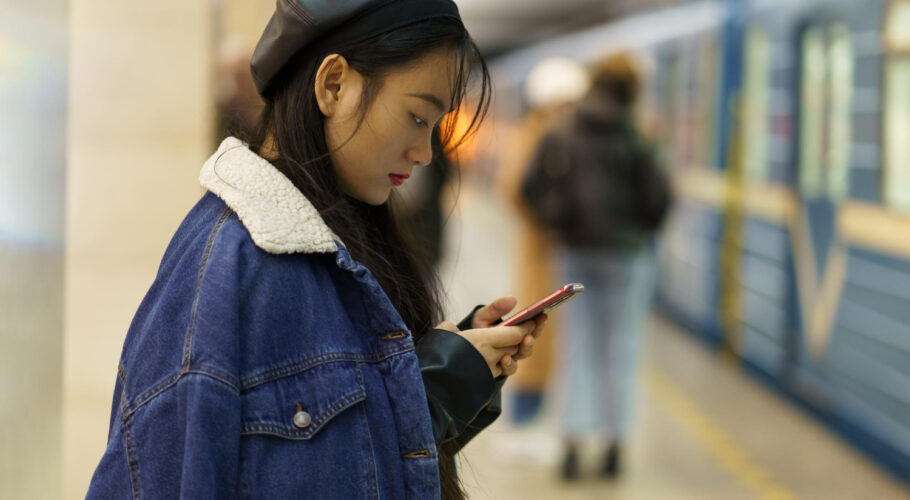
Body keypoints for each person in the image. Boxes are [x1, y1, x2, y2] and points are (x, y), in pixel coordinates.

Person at [85, 1, 547, 499]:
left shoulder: (341, 238)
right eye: (417, 117)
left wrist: (439, 373)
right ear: (333, 85)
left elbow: (338, 462)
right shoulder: (224, 275)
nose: (425, 152)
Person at [521, 52, 671, 480]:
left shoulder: (562, 131)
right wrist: (639, 231)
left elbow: (530, 187)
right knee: (621, 347)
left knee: (578, 344)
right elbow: (659, 200)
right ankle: (614, 445)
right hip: (627, 256)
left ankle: (570, 444)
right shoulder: (639, 137)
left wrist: (556, 221)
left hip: (575, 252)